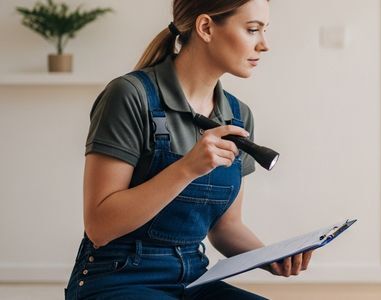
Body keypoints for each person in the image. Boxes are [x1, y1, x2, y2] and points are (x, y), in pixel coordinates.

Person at [64, 1, 311, 299]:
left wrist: (270, 257)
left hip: (194, 278)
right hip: (118, 278)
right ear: (206, 27)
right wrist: (186, 168)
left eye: (264, 31)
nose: (264, 45)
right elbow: (100, 226)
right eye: (252, 30)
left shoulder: (237, 115)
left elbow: (226, 227)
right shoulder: (130, 96)